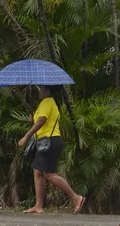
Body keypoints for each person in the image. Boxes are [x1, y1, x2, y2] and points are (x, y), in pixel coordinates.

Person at [18, 85, 85, 214]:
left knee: (50, 174)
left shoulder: (47, 102)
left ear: (47, 91)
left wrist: (26, 136)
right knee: (38, 172)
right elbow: (40, 121)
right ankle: (38, 206)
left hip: (50, 141)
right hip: (44, 142)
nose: (39, 92)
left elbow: (42, 121)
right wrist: (32, 119)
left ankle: (76, 198)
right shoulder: (46, 104)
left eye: (41, 89)